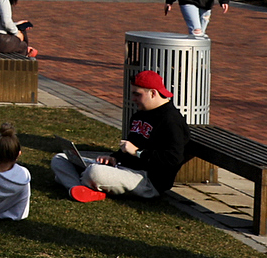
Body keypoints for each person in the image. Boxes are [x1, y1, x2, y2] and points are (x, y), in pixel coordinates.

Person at [54, 70, 189, 202]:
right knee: (60, 159)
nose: (133, 99)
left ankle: (76, 182)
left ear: (153, 93)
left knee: (94, 172)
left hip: (147, 180)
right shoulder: (140, 114)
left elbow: (173, 158)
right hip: (122, 168)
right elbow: (129, 147)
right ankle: (79, 188)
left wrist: (138, 152)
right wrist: (114, 158)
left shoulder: (171, 120)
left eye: (137, 94)